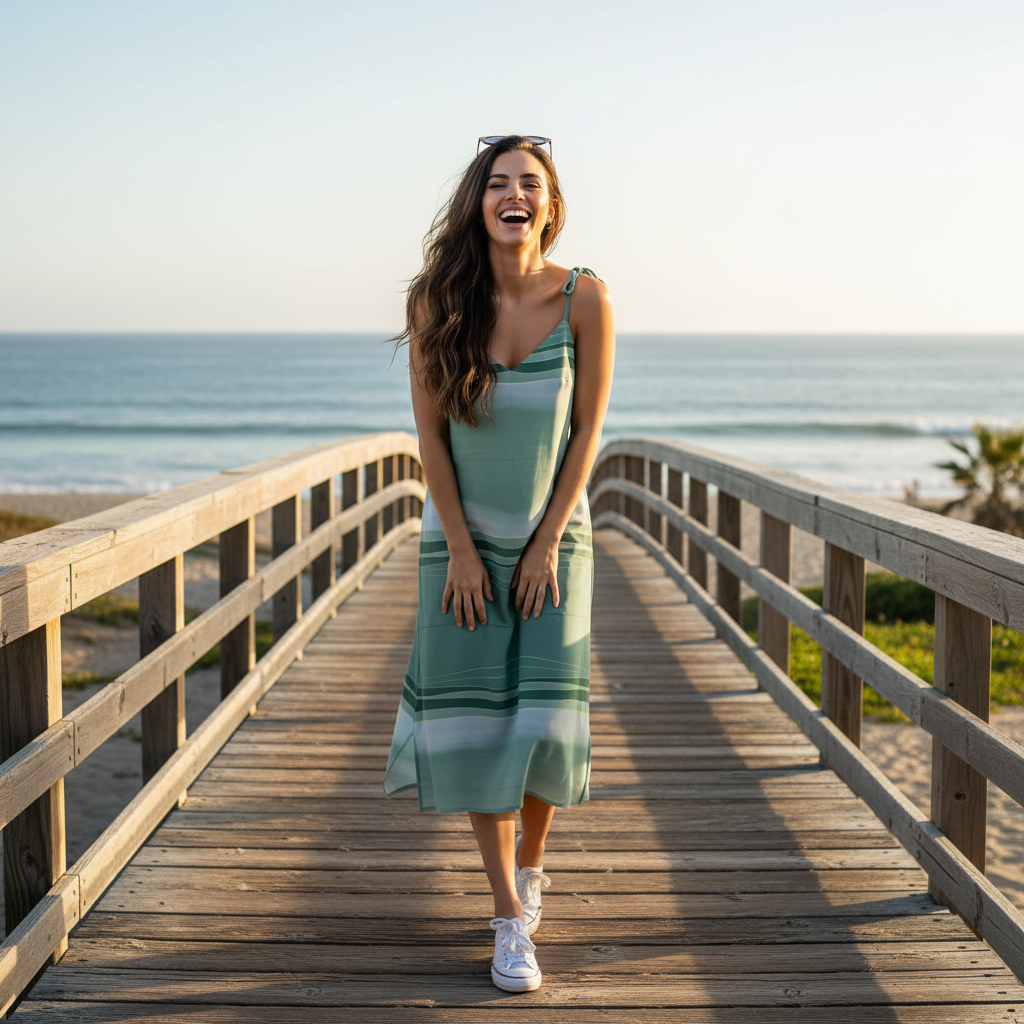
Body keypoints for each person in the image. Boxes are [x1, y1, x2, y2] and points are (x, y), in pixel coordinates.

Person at [383, 135, 615, 993]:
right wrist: (465, 553)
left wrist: (549, 535)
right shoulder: (436, 302)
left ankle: (533, 864)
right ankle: (507, 919)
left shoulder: (586, 296)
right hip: (460, 544)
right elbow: (430, 440)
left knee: (546, 722)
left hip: (560, 539)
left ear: (550, 206)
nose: (514, 194)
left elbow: (588, 430)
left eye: (531, 183)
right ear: (478, 203)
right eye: (498, 183)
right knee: (480, 724)